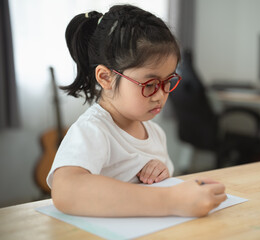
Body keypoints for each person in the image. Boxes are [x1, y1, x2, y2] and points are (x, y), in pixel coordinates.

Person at [47, 4, 226, 218]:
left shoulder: (155, 133)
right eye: (150, 84)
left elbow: (160, 183)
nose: (161, 95)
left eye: (168, 81)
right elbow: (66, 190)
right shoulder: (93, 130)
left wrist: (161, 173)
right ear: (105, 78)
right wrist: (171, 200)